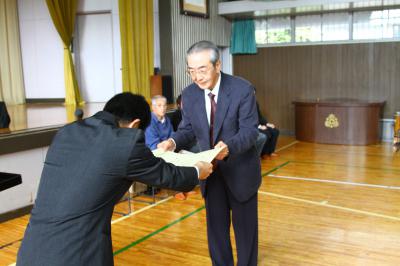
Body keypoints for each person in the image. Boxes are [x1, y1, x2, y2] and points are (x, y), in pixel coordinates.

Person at [16, 92, 213, 266]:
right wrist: (197, 170)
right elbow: (168, 176)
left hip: (31, 251)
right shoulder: (124, 143)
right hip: (77, 255)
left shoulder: (67, 132)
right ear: (135, 124)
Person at [158, 40, 261, 266]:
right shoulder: (189, 94)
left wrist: (229, 148)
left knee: (246, 235)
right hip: (210, 173)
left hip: (240, 170)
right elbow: (187, 130)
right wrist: (172, 142)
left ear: (217, 65)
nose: (197, 77)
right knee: (216, 234)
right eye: (191, 71)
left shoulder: (242, 89)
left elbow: (250, 131)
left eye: (202, 69)